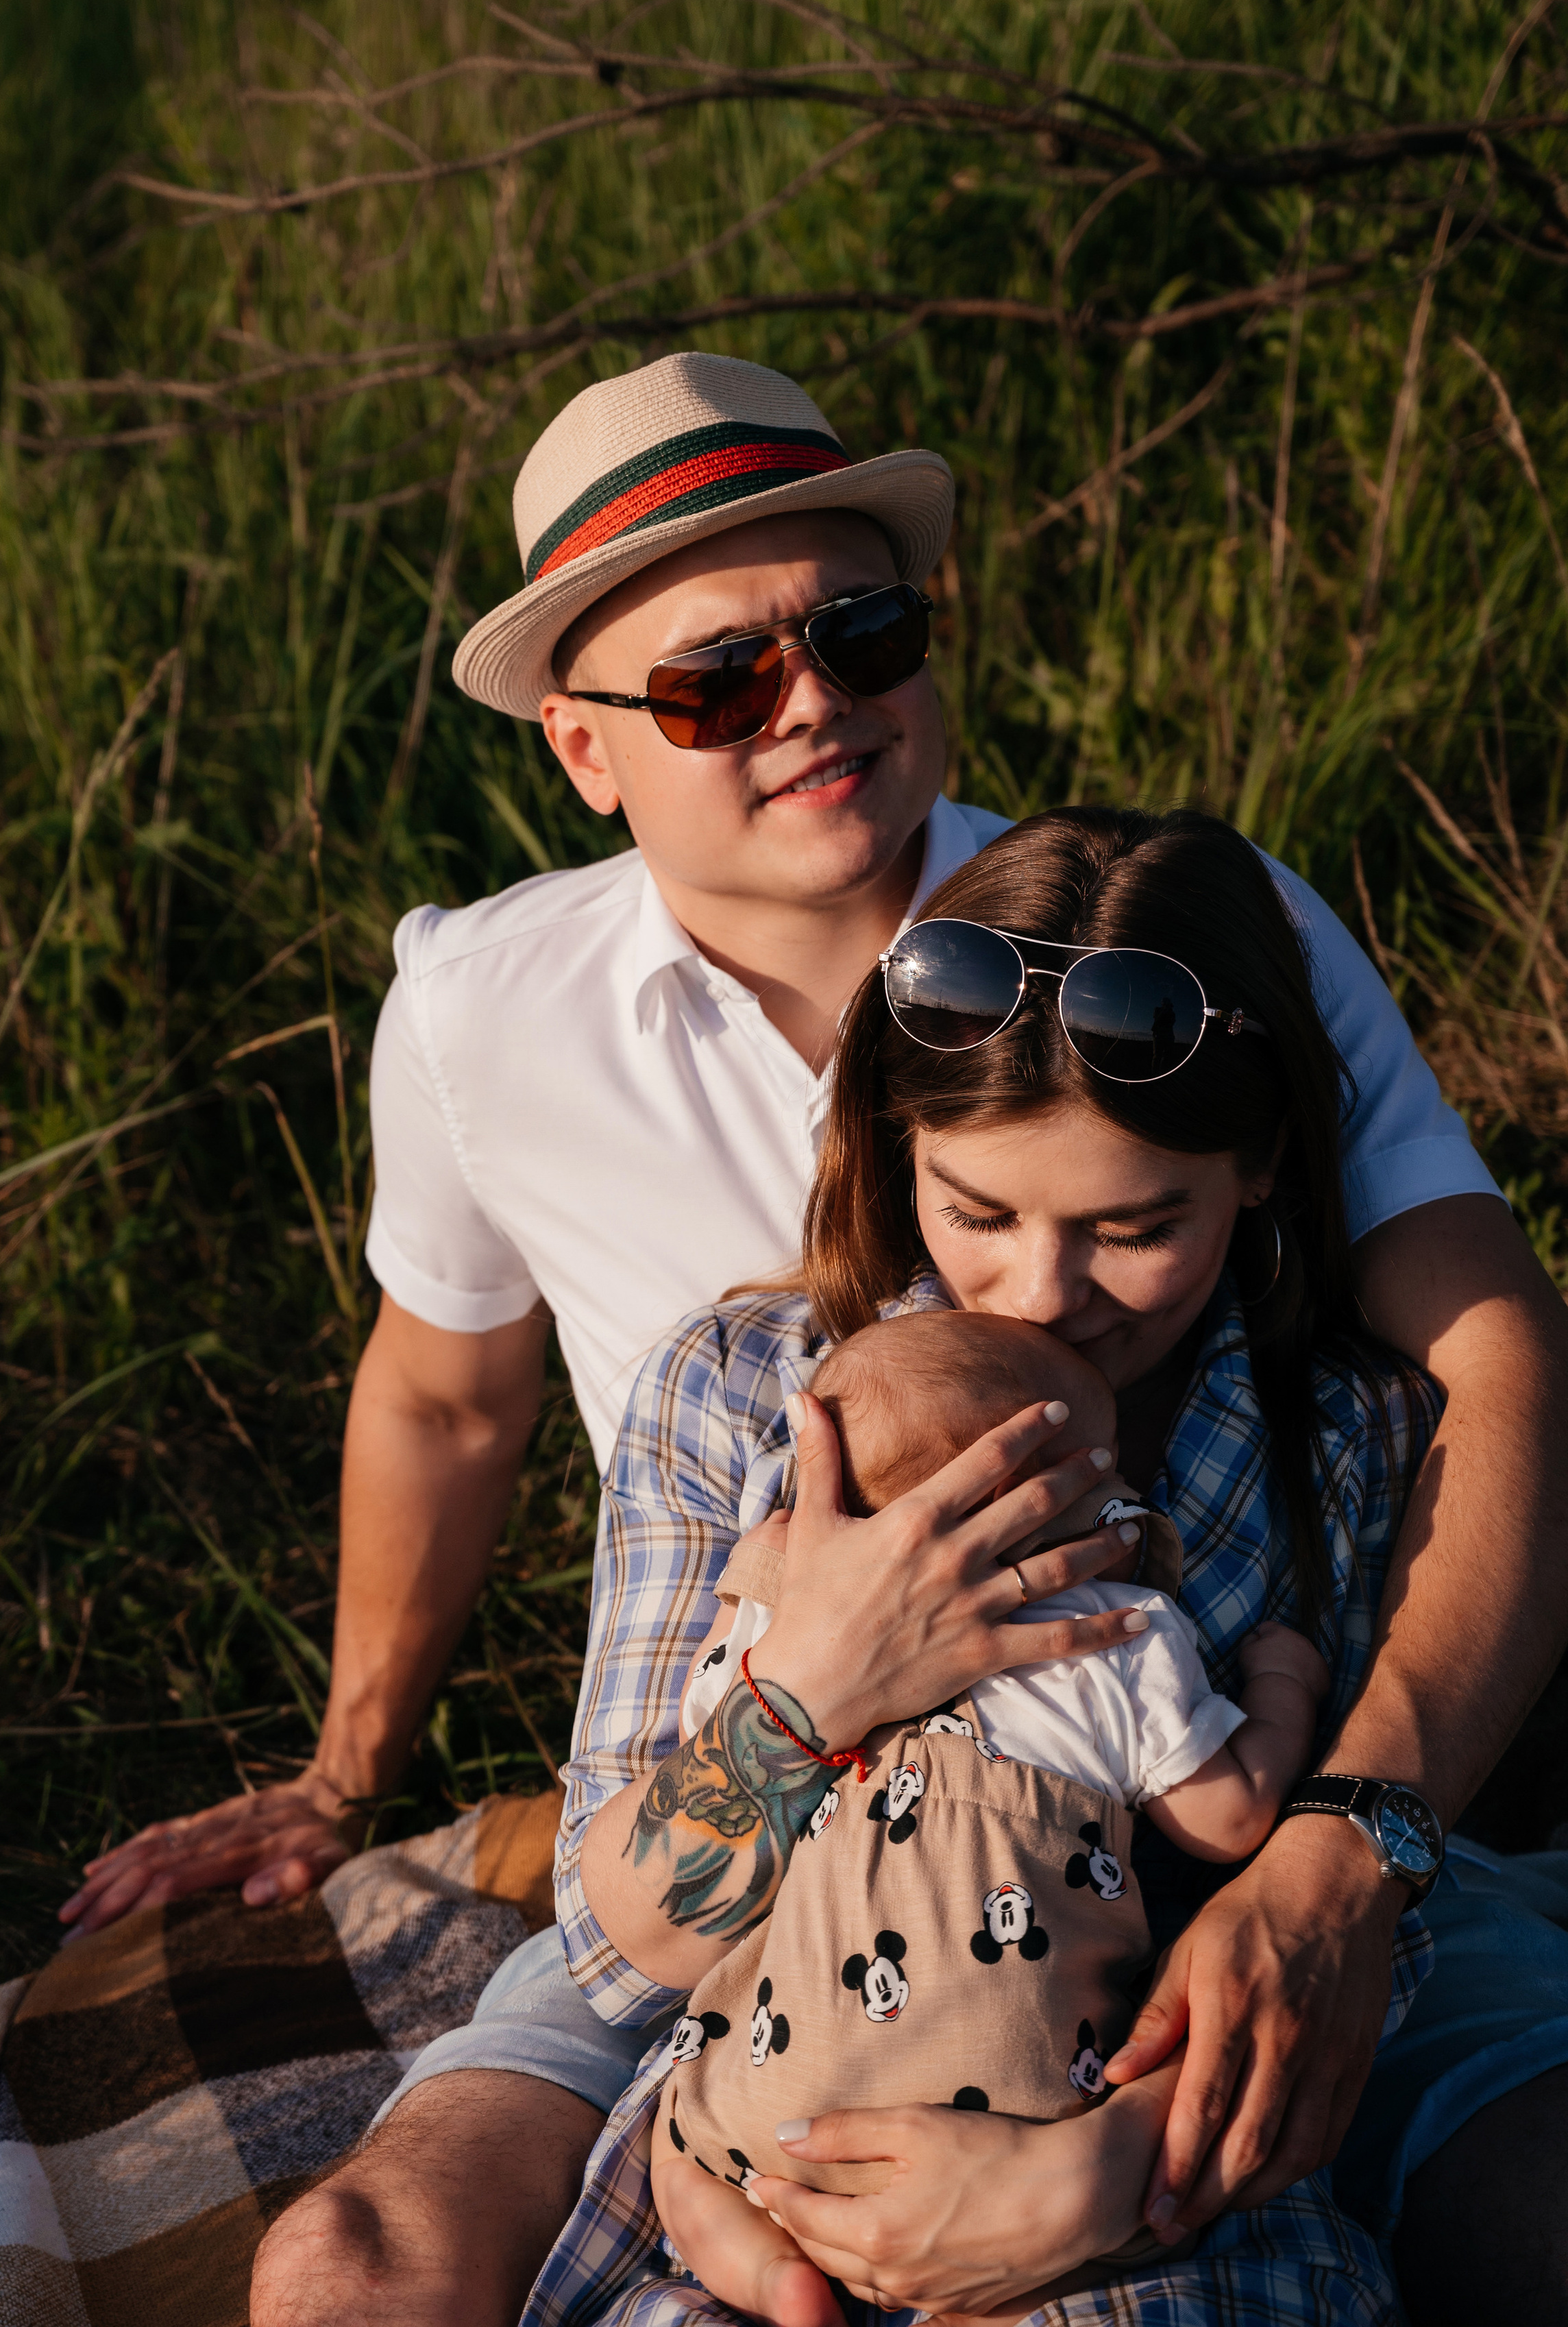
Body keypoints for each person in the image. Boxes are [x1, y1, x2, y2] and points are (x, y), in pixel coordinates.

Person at [44, 354, 1568, 2326]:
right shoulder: (487, 1017)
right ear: (588, 746)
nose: (816, 702)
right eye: (713, 681)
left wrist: (1350, 1850)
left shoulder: (1179, 947)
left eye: (860, 630)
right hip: (734, 1784)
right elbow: (443, 1391)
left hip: (1234, 1857)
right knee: (350, 2268)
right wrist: (351, 1774)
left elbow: (1500, 1363)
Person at [541, 805, 1444, 2326]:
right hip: (780, 2163)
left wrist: (1100, 2175)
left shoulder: (1331, 1434)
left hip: (1160, 2180)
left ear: (1262, 1161)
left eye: (1134, 1224)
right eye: (975, 1209)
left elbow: (1346, 1935)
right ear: (897, 1149)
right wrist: (812, 1685)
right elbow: (613, 1954)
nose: (1044, 1290)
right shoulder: (741, 1393)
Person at [649, 1311, 1340, 2324]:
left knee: (675, 2155)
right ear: (1061, 1504)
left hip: (777, 2109)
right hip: (1021, 2109)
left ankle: (777, 2280)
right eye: (1111, 1476)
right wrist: (1284, 1694)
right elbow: (1228, 1819)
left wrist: (765, 1587)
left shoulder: (791, 1631)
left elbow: (704, 1727)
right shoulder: (1111, 1631)